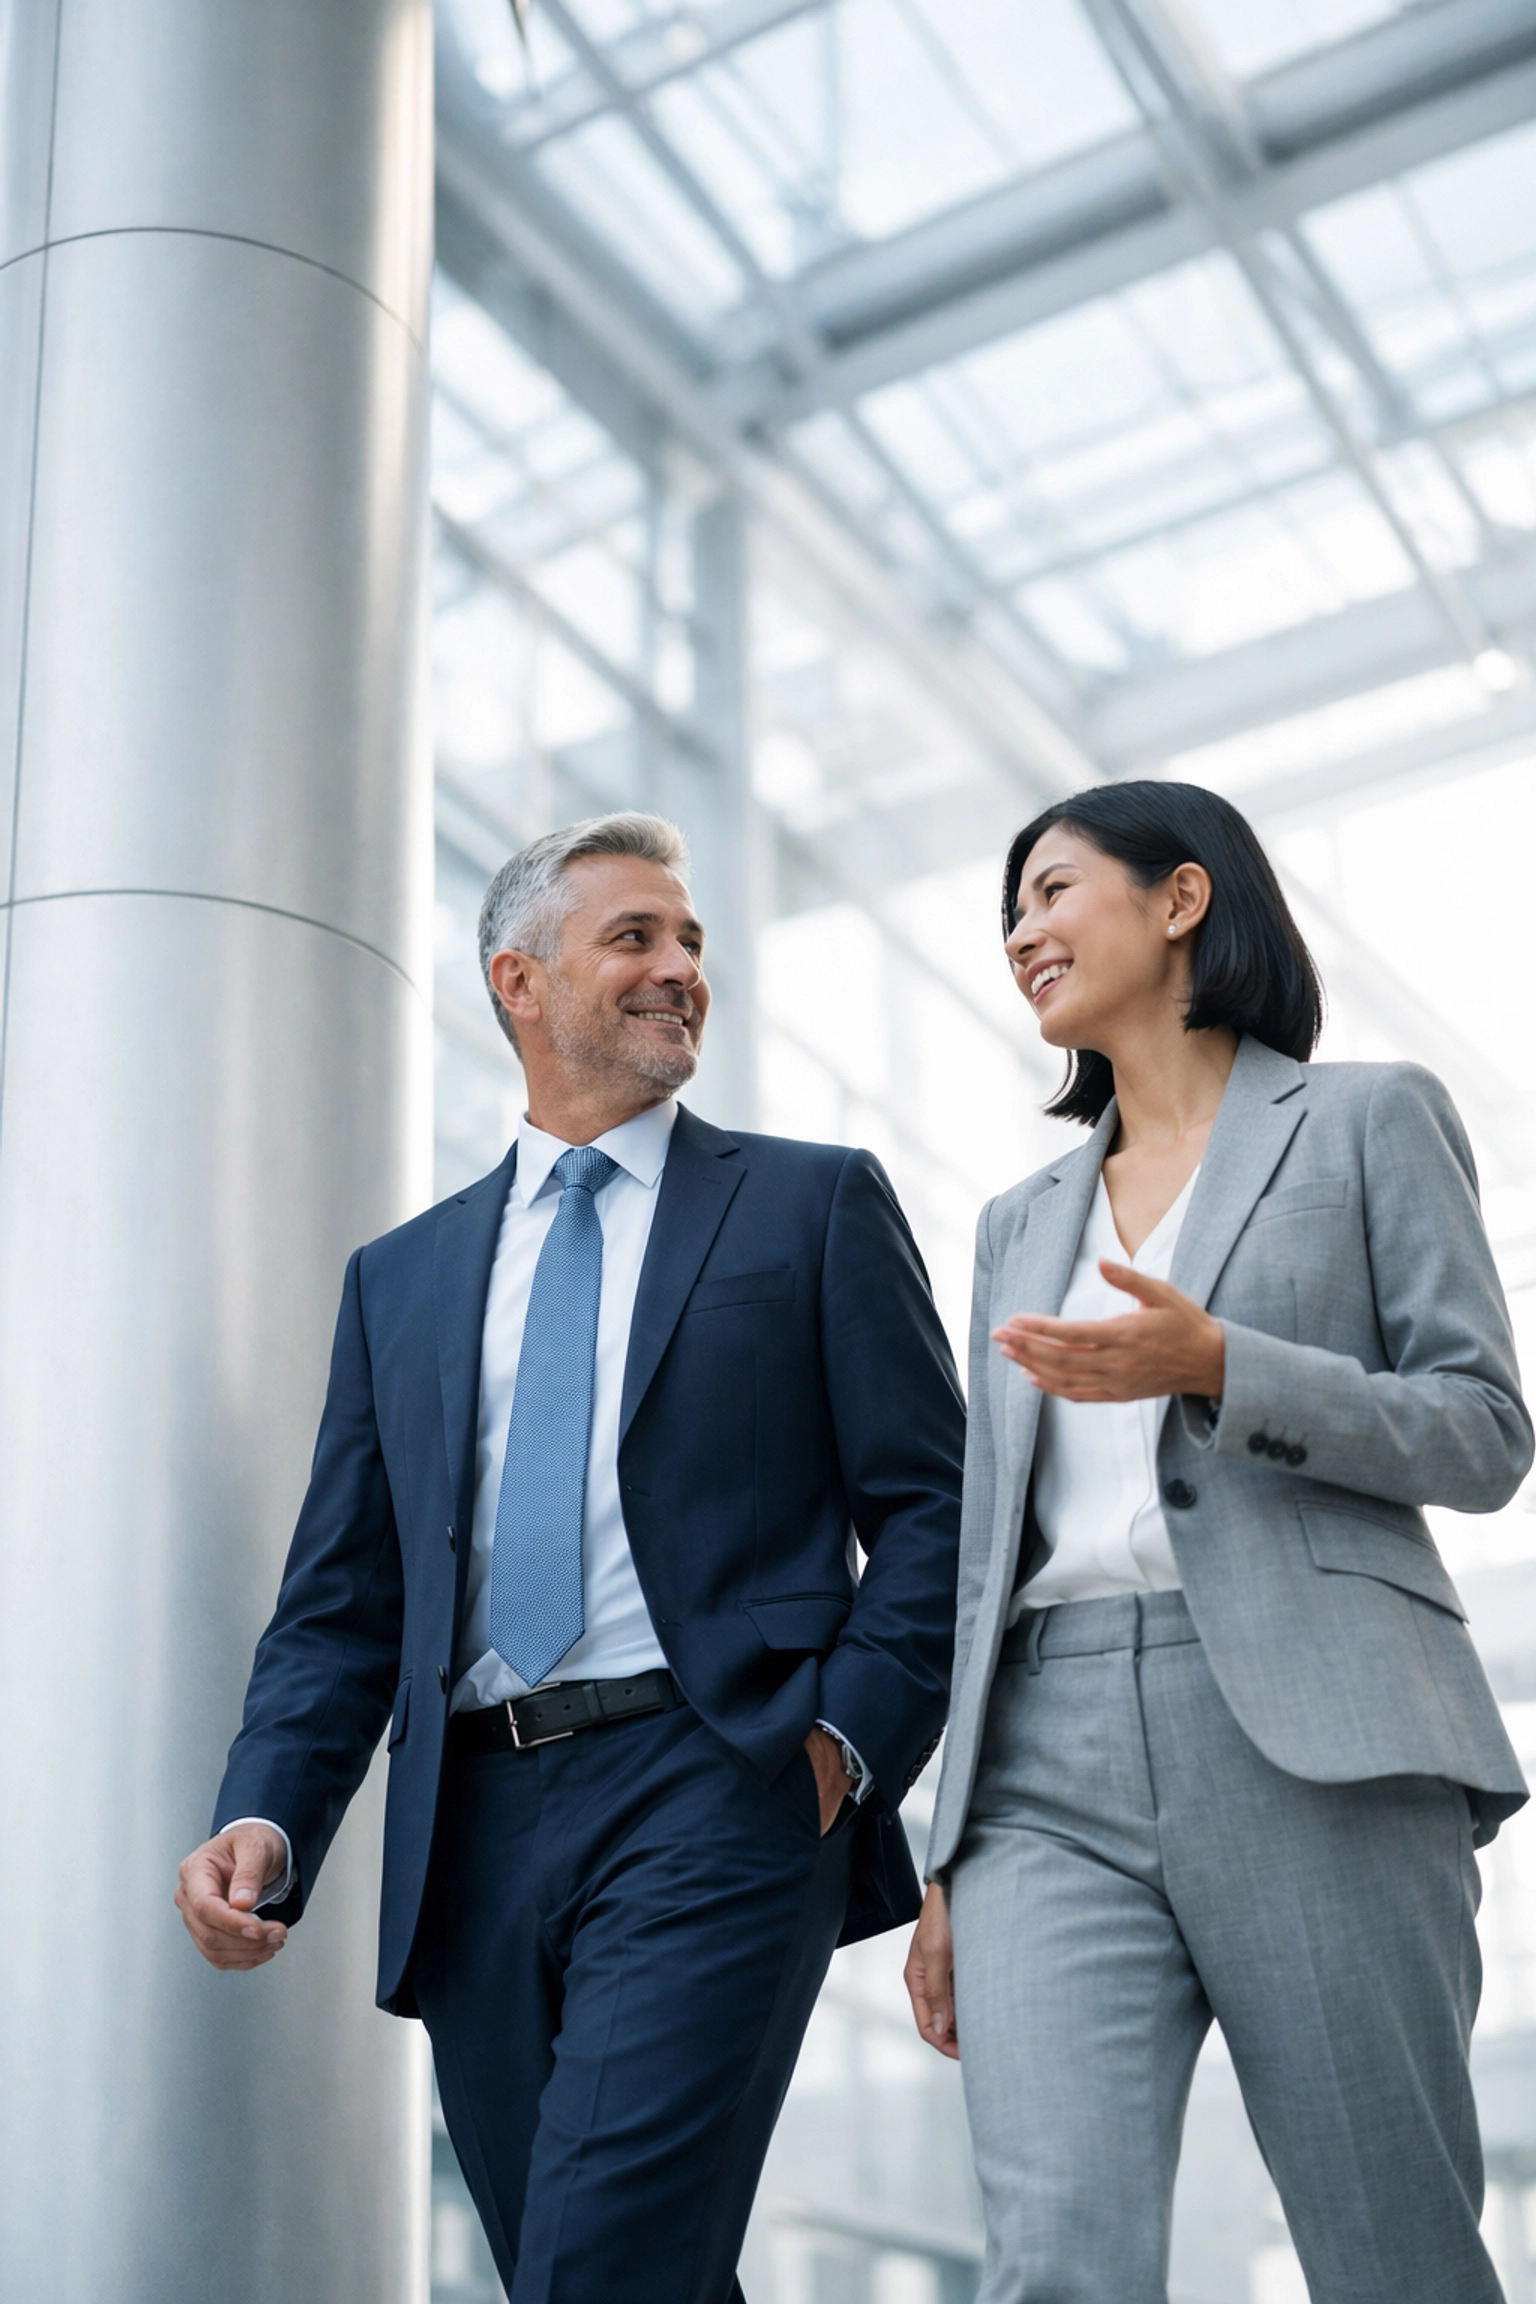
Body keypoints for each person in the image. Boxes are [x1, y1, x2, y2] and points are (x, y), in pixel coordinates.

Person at [176, 811, 964, 2304]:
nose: (681, 971)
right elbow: (343, 1603)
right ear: (518, 982)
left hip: (718, 1782)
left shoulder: (810, 1206)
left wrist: (843, 1746)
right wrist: (267, 1817)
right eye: (637, 939)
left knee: (598, 2266)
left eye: (693, 944)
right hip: (473, 1826)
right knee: (590, 2260)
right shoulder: (401, 1280)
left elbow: (938, 1508)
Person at [902, 781, 1531, 2304]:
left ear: (1183, 898)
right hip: (1042, 1769)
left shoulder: (1369, 1119)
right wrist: (944, 1850)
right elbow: (994, 1548)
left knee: (1390, 2252)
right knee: (1054, 2260)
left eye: (1053, 891)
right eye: (1010, 912)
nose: (1022, 933)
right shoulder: (1019, 1216)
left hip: (1312, 1735)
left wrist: (1225, 1369)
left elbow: (1483, 1432)